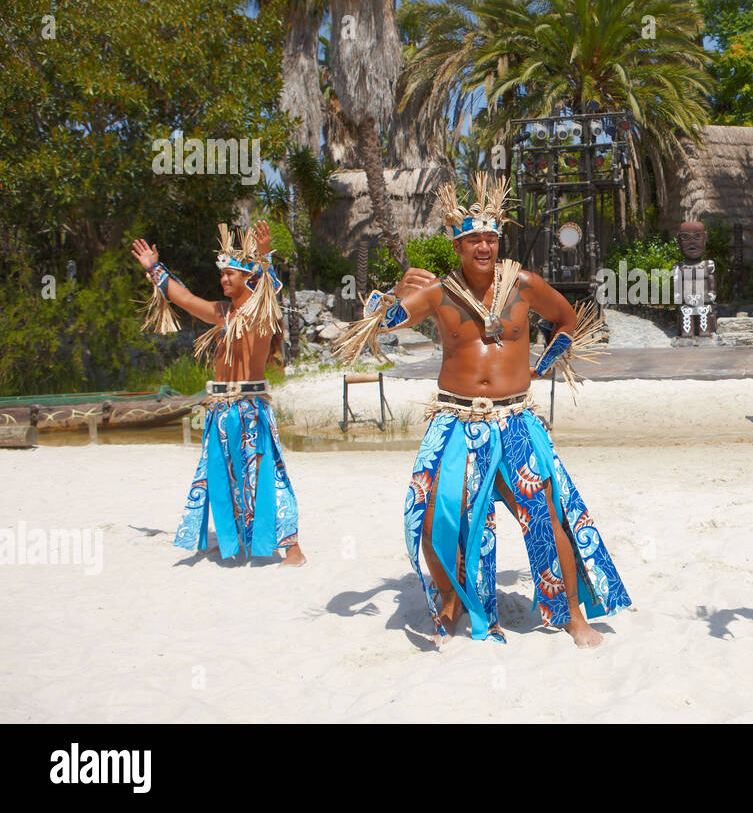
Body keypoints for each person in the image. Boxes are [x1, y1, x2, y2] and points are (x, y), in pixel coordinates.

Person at [336, 173, 630, 648]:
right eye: (473, 238)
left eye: (491, 237)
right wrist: (391, 290)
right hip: (456, 422)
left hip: (515, 420)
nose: (484, 246)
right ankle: (452, 602)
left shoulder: (525, 285)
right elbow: (380, 326)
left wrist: (545, 362)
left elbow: (567, 319)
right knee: (431, 519)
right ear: (457, 244)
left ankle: (571, 614)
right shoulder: (438, 293)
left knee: (547, 517)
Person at [131, 222, 305, 566]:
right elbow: (182, 297)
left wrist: (264, 256)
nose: (224, 279)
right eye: (222, 274)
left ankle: (293, 548)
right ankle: (236, 538)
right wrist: (154, 267)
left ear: (246, 278)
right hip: (220, 410)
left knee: (266, 474)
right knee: (222, 475)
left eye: (231, 274)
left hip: (250, 406)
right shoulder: (220, 314)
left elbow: (266, 289)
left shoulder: (261, 313)